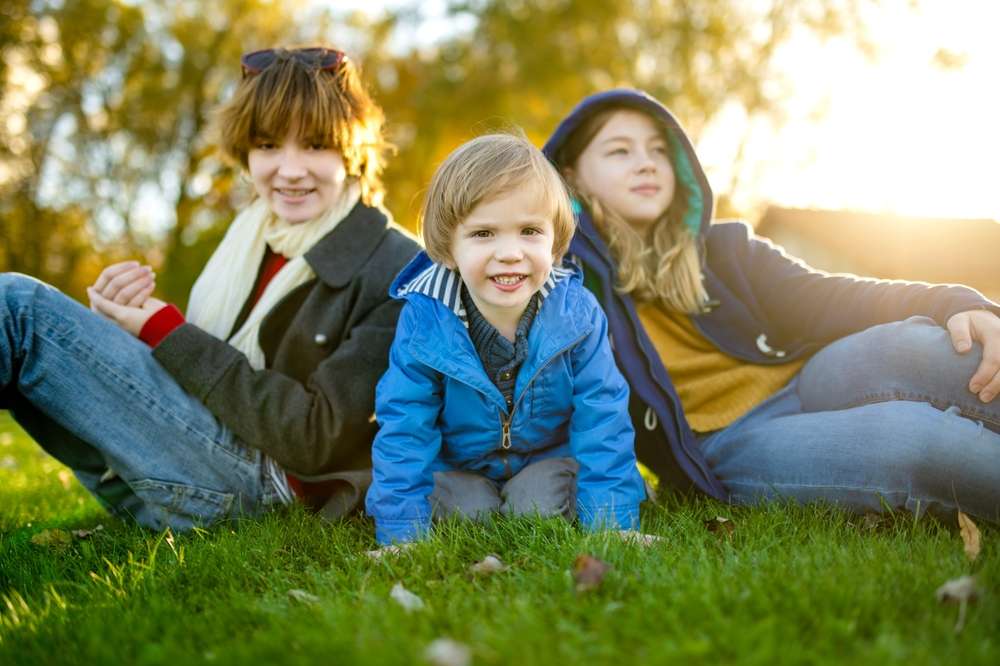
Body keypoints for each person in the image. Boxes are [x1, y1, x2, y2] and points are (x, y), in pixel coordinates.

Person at [0, 46, 420, 530]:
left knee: (17, 310)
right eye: (267, 146)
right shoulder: (254, 232)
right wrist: (124, 327)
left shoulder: (398, 267)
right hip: (200, 455)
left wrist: (164, 330)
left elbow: (314, 436)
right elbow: (211, 362)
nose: (288, 170)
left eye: (314, 145)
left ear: (351, 148)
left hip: (267, 485)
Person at [543, 89, 1000, 522]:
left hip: (808, 377)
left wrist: (952, 301)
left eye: (659, 150)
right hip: (729, 440)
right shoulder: (558, 280)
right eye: (620, 151)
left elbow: (828, 295)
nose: (646, 164)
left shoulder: (727, 248)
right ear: (570, 176)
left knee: (922, 347)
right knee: (910, 438)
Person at [364, 133, 645, 546]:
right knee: (468, 510)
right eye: (483, 234)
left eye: (529, 231)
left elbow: (603, 420)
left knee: (535, 505)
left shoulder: (578, 315)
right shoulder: (426, 320)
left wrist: (613, 525)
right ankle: (474, 504)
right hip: (461, 467)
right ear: (447, 247)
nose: (510, 252)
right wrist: (401, 535)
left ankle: (588, 501)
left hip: (546, 460)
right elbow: (406, 427)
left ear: (555, 241)